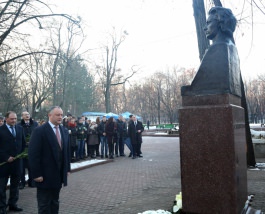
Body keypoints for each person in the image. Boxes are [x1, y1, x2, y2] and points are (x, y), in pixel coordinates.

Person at [28, 106, 70, 214]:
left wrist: (67, 169)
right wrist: (36, 174)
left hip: (58, 175)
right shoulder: (39, 131)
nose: (60, 117)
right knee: (44, 204)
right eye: (57, 115)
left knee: (55, 202)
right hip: (44, 176)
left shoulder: (63, 130)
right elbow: (33, 154)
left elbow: (66, 152)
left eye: (61, 115)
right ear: (49, 115)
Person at [0, 111, 26, 213]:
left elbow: (23, 143)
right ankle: (2, 207)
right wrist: (6, 157)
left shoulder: (20, 129)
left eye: (15, 119)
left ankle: (12, 204)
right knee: (1, 187)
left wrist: (20, 155)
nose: (14, 121)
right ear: (6, 119)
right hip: (4, 164)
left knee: (15, 186)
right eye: (12, 119)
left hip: (17, 163)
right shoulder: (1, 130)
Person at [17, 111, 38, 189]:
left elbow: (37, 133)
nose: (27, 116)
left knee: (31, 166)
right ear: (22, 116)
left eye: (28, 114)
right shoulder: (18, 125)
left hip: (32, 148)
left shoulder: (35, 124)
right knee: (22, 167)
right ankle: (22, 183)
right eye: (25, 115)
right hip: (22, 148)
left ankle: (31, 182)